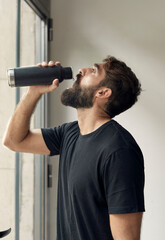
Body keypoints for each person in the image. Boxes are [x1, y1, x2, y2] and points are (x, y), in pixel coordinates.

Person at [3, 56, 145, 240]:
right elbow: (14, 141)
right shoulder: (70, 133)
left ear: (103, 92)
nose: (81, 70)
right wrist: (34, 92)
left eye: (93, 71)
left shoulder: (119, 151)